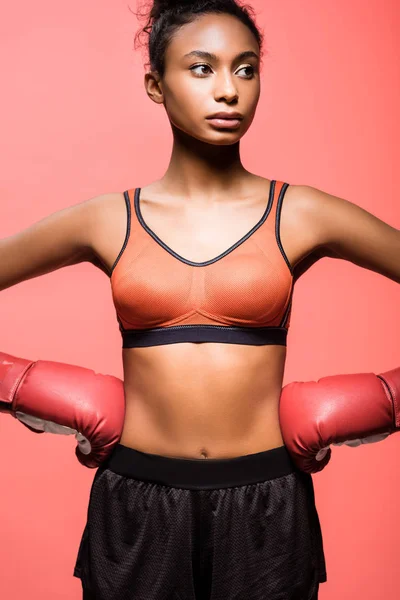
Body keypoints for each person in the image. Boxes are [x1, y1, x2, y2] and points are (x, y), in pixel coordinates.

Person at [1, 1, 399, 598]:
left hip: (267, 503)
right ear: (156, 86)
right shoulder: (108, 220)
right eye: (201, 68)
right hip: (135, 500)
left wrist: (385, 400)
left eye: (245, 69)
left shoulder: (304, 213)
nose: (229, 91)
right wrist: (19, 384)